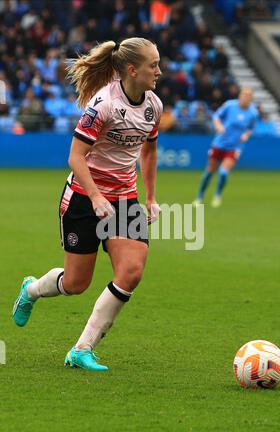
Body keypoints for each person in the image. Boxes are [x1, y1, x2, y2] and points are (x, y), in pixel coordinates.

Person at [12, 37, 163, 371]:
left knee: (132, 271)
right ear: (132, 69)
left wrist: (150, 197)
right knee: (76, 284)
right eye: (153, 65)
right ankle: (33, 289)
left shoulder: (154, 105)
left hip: (125, 198)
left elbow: (149, 152)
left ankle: (82, 349)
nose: (159, 71)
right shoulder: (103, 104)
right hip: (84, 196)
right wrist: (95, 196)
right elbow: (75, 157)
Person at [193, 88, 258, 208]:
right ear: (240, 96)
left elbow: (251, 127)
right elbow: (216, 116)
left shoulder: (253, 113)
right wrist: (218, 126)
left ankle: (217, 195)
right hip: (219, 143)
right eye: (244, 95)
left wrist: (246, 135)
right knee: (209, 172)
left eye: (248, 96)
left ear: (251, 99)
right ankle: (200, 196)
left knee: (223, 172)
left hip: (235, 147)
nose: (245, 98)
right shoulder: (230, 105)